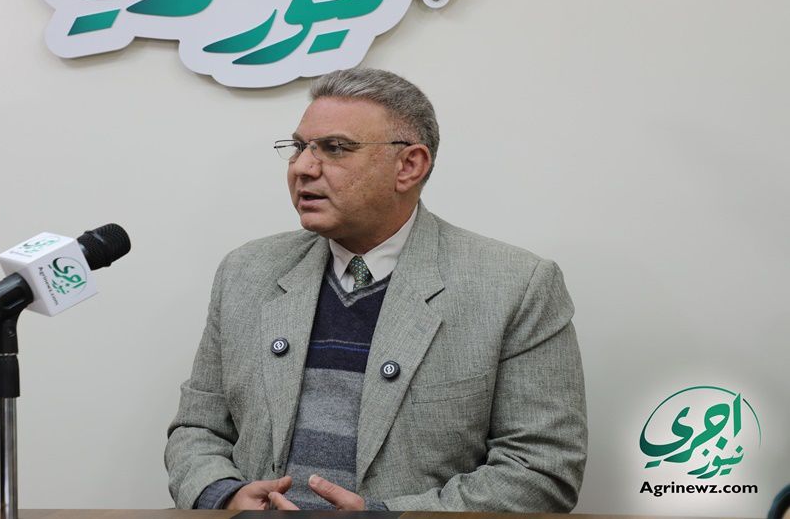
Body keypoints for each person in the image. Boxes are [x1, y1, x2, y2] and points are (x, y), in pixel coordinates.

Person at [165, 68, 587, 512]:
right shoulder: (246, 272)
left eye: (335, 148)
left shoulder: (516, 286)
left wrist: (387, 516)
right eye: (299, 147)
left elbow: (540, 469)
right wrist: (226, 496)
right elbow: (198, 429)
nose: (303, 167)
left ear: (409, 165)